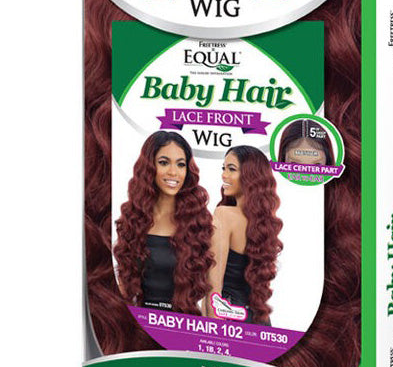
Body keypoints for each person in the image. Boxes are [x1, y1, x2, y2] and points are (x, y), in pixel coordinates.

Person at [114, 131, 213, 314]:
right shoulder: (134, 218)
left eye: (181, 164)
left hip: (186, 324)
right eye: (164, 162)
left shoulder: (199, 223)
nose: (173, 172)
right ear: (149, 166)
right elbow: (124, 287)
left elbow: (212, 295)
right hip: (143, 323)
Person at [206, 146, 283, 325]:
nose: (224, 175)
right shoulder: (264, 225)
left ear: (250, 176)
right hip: (260, 321)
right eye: (223, 168)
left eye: (231, 169)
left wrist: (211, 333)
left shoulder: (224, 214)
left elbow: (213, 289)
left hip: (229, 319)